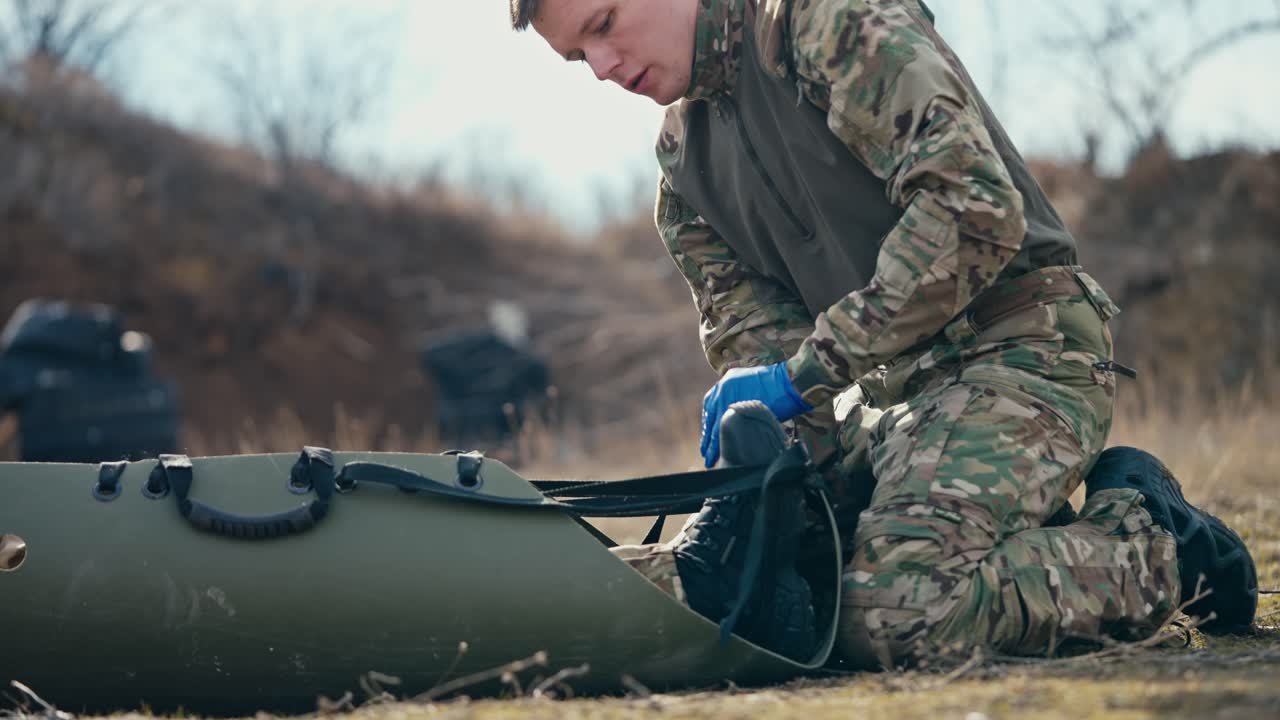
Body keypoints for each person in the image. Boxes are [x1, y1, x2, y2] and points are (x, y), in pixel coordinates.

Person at [509, 0, 1258, 666]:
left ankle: (1151, 542)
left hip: (1023, 353)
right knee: (780, 578)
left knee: (895, 609)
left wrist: (807, 373)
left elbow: (973, 211)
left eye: (604, 24)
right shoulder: (683, 174)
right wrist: (788, 485)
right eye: (578, 56)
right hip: (890, 404)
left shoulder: (828, 23)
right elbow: (764, 358)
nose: (603, 68)